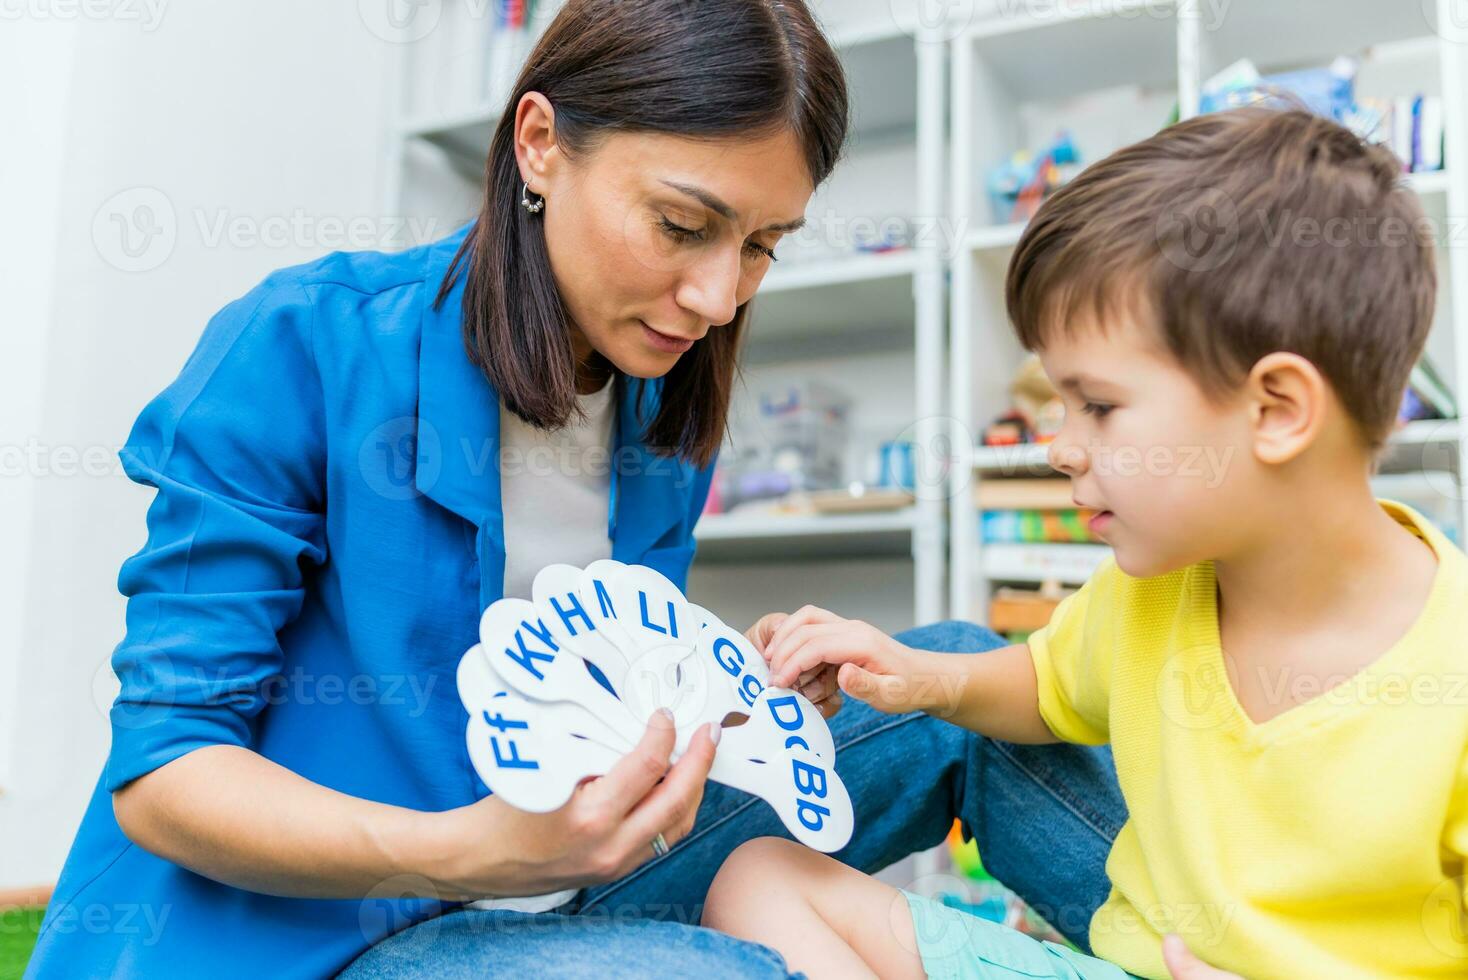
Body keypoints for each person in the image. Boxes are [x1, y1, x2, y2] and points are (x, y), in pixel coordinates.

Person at [27, 2, 1131, 977]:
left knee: (952, 687)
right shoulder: (303, 343)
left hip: (564, 871)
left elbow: (592, 692)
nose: (715, 296)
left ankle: (1226, 952)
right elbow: (167, 775)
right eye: (682, 225)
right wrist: (471, 847)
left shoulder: (659, 410)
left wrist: (735, 710)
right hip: (343, 929)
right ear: (541, 144)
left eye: (761, 247)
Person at [702, 106, 1468, 979]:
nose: (1061, 444)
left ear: (1276, 410)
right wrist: (918, 677)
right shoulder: (1155, 588)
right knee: (756, 876)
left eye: (1097, 406)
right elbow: (1045, 682)